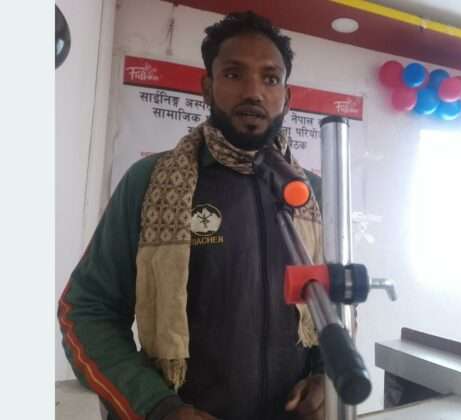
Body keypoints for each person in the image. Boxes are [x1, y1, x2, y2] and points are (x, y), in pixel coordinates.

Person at [58, 11, 326, 420]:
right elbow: (87, 311)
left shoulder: (313, 195)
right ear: (207, 87)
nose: (254, 91)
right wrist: (158, 406)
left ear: (287, 98)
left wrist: (326, 375)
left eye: (270, 78)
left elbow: (335, 308)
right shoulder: (150, 182)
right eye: (234, 74)